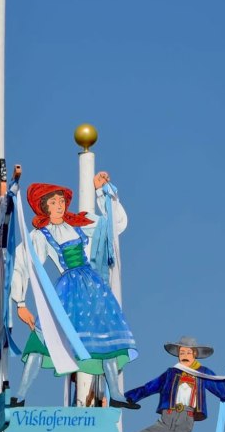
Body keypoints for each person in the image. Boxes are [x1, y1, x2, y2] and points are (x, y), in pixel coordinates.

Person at [8, 172, 138, 408]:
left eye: (60, 201)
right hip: (68, 291)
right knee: (41, 338)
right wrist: (20, 303)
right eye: (52, 202)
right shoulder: (41, 235)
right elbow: (22, 264)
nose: (58, 205)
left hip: (94, 287)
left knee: (105, 338)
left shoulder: (81, 222)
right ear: (44, 207)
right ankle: (20, 394)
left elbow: (114, 226)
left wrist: (102, 192)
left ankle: (116, 394)